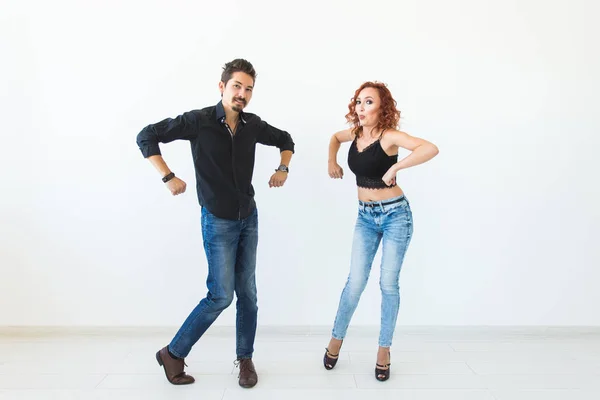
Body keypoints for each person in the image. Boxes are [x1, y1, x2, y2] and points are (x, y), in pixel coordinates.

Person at [135, 59, 295, 388]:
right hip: (218, 220)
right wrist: (168, 176)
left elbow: (286, 139)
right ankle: (173, 353)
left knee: (247, 293)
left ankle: (245, 359)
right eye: (237, 86)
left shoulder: (252, 124)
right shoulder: (199, 121)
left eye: (248, 88)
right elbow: (146, 135)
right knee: (220, 295)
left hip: (247, 217)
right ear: (222, 87)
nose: (243, 93)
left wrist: (283, 169)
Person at [323, 81, 438, 381]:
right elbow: (335, 137)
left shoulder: (390, 137)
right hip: (365, 217)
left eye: (369, 102)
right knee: (355, 283)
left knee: (388, 284)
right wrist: (331, 161)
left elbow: (430, 148)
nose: (361, 108)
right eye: (359, 102)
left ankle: (383, 350)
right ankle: (336, 340)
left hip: (395, 216)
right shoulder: (356, 133)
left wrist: (396, 168)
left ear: (382, 108)